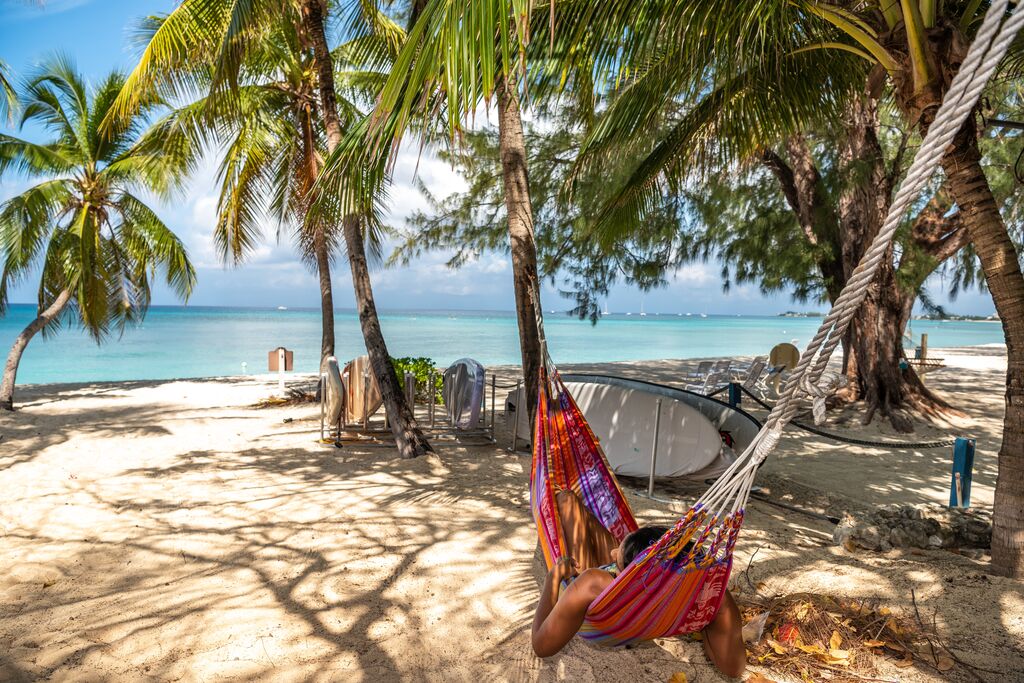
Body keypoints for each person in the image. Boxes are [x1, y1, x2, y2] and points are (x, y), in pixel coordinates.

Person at [531, 491, 746, 678]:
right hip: (650, 598)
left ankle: (566, 499)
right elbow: (733, 669)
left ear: (629, 572)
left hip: (609, 601)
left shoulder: (592, 584)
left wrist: (553, 577)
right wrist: (713, 615)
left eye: (617, 558)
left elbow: (541, 646)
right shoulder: (702, 589)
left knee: (566, 500)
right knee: (570, 501)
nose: (613, 551)